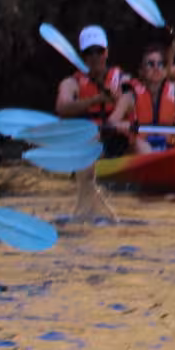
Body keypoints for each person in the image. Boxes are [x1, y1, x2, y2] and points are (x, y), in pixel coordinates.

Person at [54, 25, 131, 217]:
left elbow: (128, 100)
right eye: (89, 52)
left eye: (99, 51)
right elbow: (62, 107)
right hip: (88, 143)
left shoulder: (122, 80)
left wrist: (112, 121)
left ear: (107, 53)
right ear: (83, 57)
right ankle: (87, 202)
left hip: (116, 140)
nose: (95, 57)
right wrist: (96, 100)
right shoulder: (71, 83)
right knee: (88, 144)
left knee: (141, 144)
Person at [125, 41, 175, 154]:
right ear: (141, 71)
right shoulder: (129, 98)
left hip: (168, 153)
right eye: (150, 64)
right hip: (138, 155)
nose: (156, 68)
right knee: (140, 145)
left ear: (164, 71)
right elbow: (111, 122)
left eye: (160, 64)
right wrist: (119, 126)